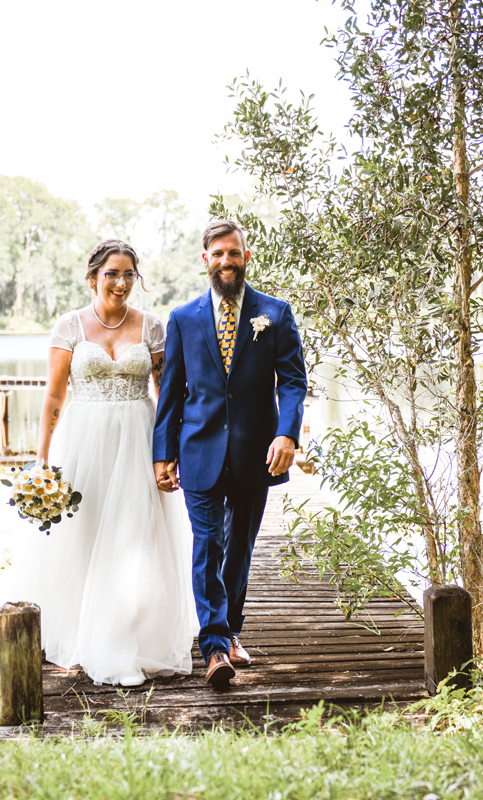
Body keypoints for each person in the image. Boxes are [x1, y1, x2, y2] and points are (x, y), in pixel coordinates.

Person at [0, 239, 199, 687]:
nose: (121, 283)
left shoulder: (152, 328)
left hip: (137, 439)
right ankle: (80, 633)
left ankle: (126, 638)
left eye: (129, 274)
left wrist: (168, 455)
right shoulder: (70, 327)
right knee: (81, 536)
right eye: (112, 274)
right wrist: (42, 458)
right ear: (93, 279)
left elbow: (166, 396)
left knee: (134, 537)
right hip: (83, 440)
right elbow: (54, 395)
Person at [153, 220, 307, 690]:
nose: (225, 261)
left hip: (256, 452)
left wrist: (288, 436)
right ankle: (215, 646)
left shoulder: (275, 314)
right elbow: (172, 392)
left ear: (245, 257)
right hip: (197, 449)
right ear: (205, 259)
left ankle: (231, 626)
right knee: (208, 545)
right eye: (217, 254)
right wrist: (163, 451)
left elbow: (295, 382)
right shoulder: (183, 318)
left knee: (239, 545)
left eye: (233, 254)